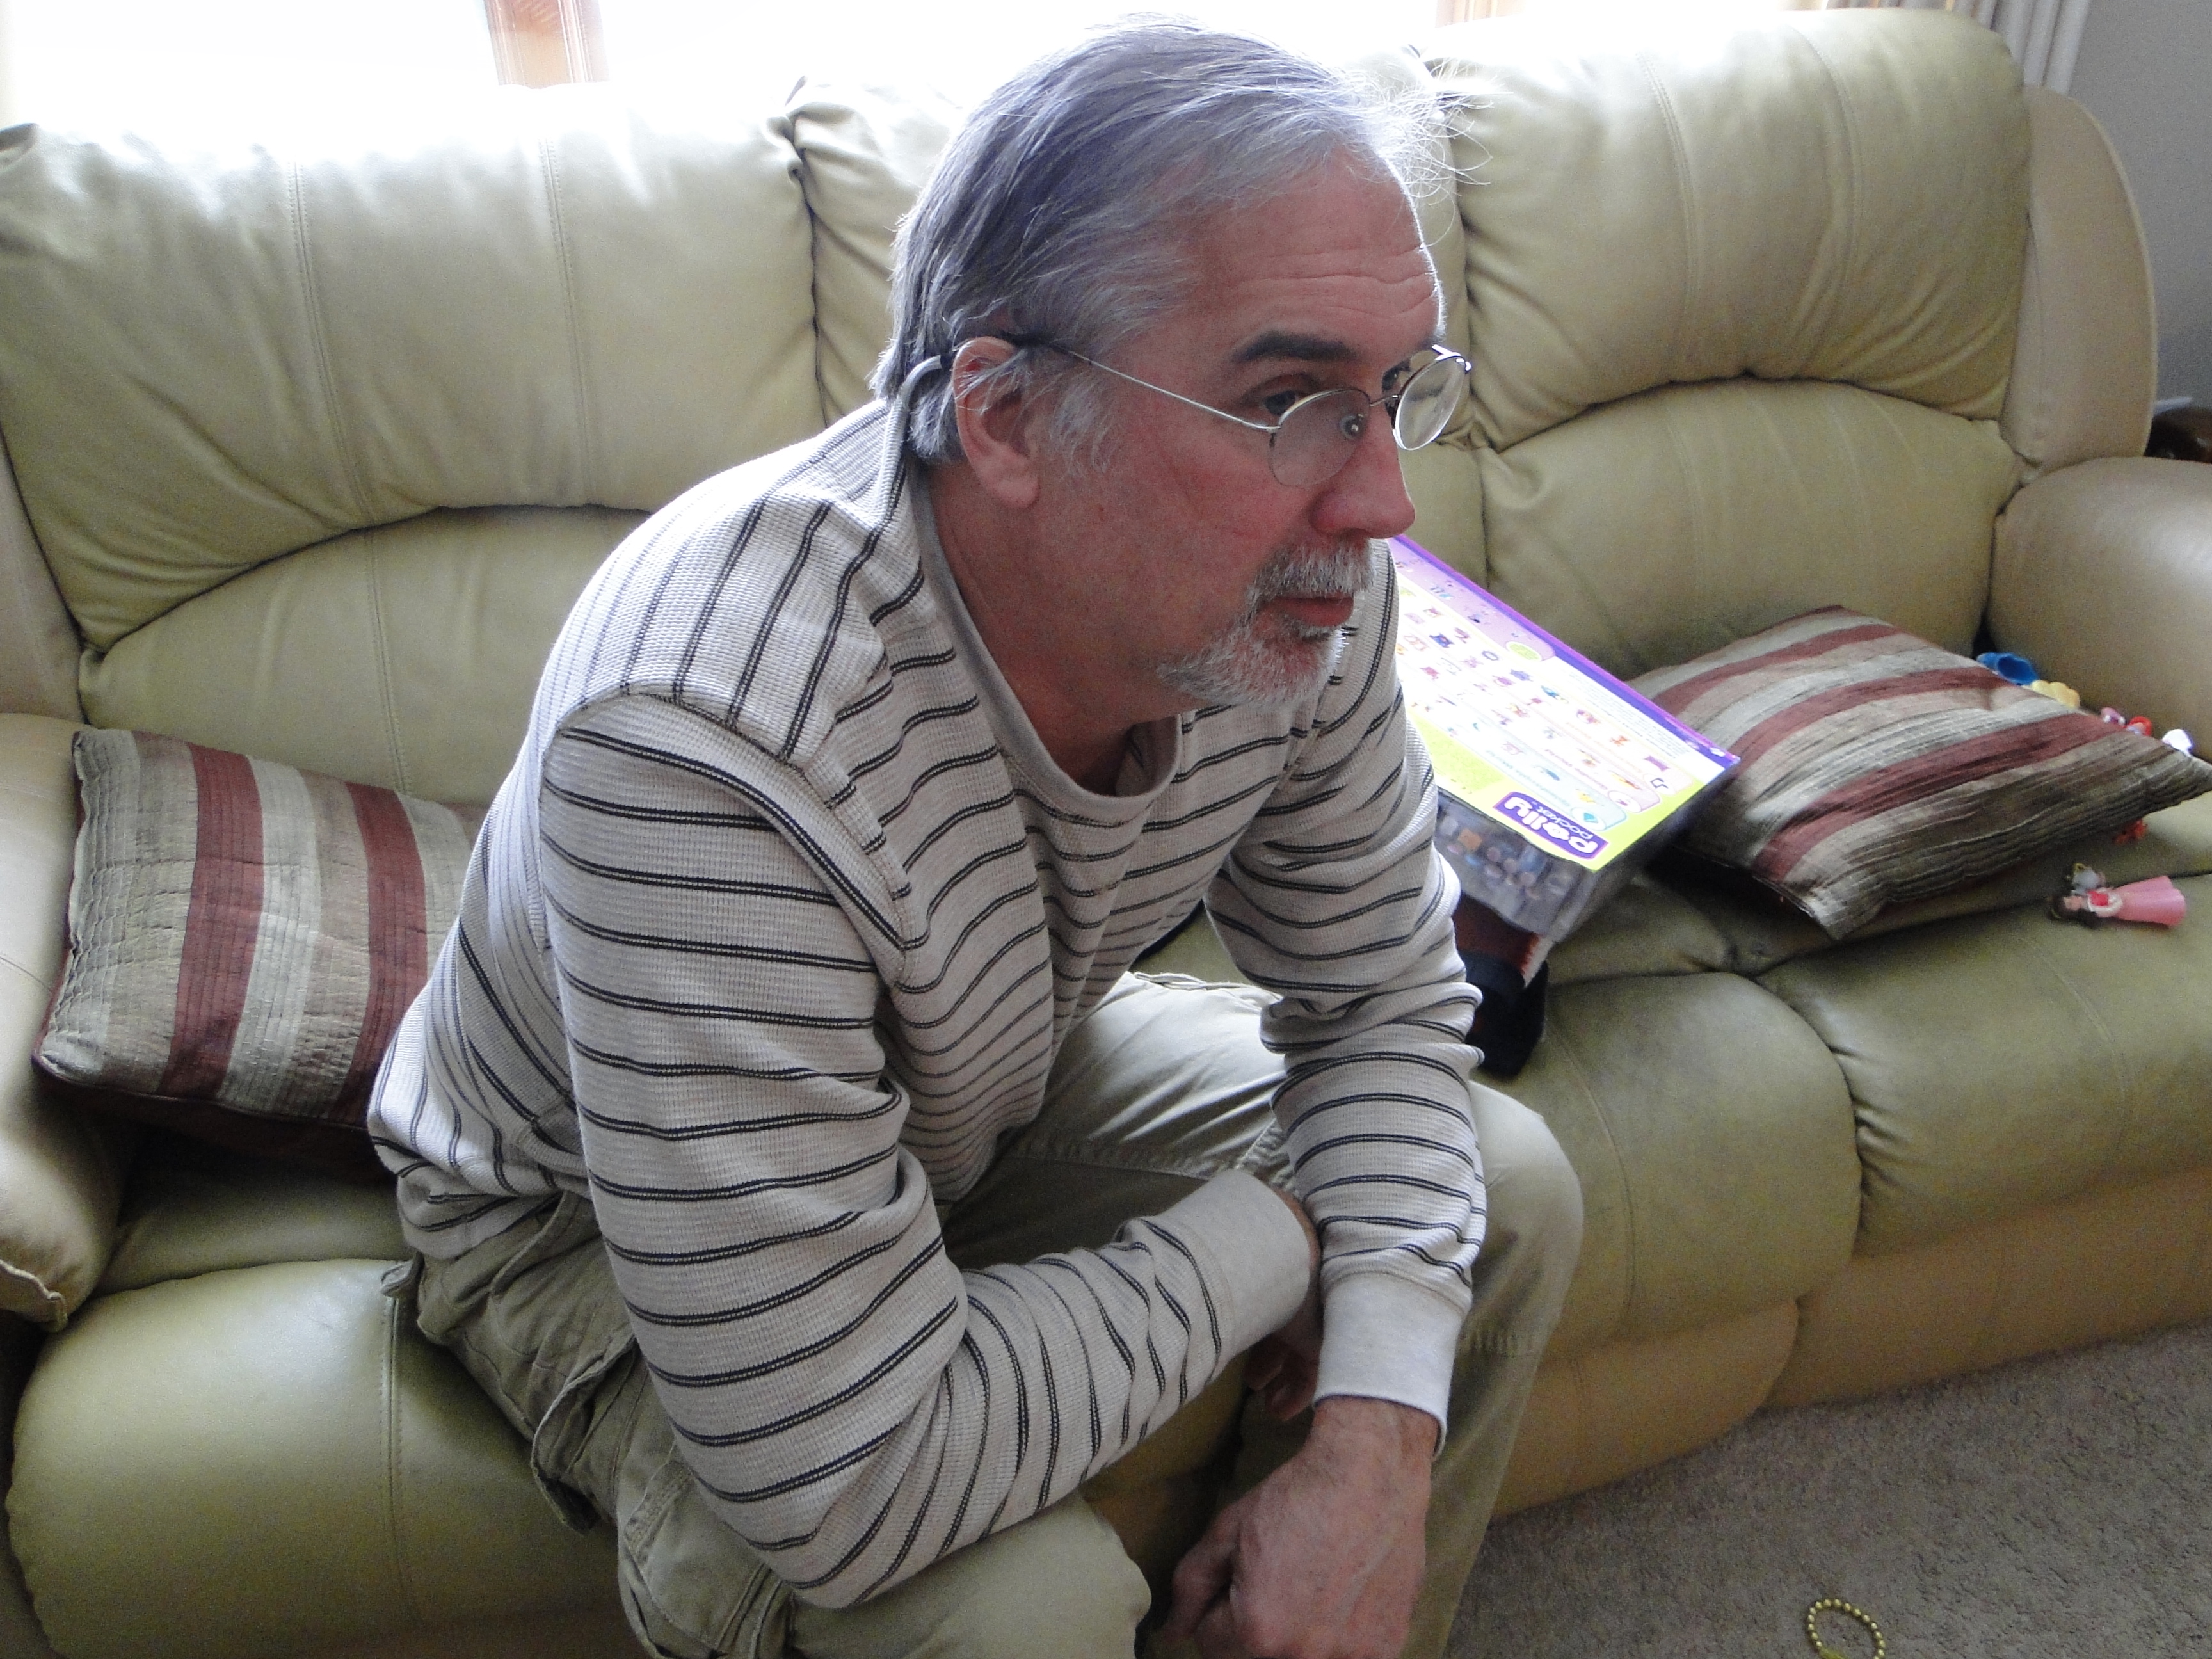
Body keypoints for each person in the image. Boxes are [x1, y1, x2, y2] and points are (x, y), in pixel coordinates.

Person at [367, 22, 1582, 1659]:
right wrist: (1287, 1230)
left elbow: (1380, 1003)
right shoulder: (705, 739)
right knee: (1018, 1610)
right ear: (1004, 416)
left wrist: (1370, 1452)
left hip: (978, 1088)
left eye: (1391, 397)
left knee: (1500, 1187)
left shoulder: (1296, 593)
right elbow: (853, 1481)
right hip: (581, 1213)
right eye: (1289, 402)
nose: (1381, 505)